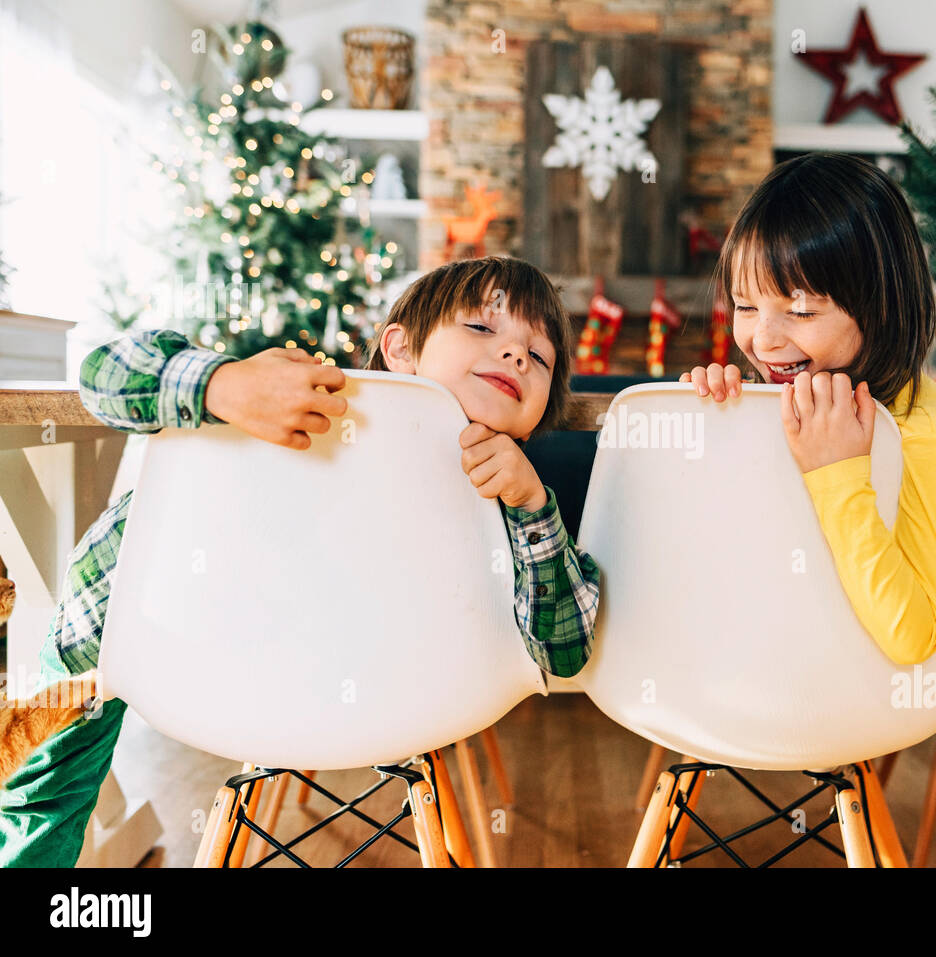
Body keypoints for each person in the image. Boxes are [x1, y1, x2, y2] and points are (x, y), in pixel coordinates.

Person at [0, 256, 599, 866]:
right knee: (40, 795)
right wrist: (222, 385)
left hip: (364, 683)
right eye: (482, 328)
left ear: (538, 413)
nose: (517, 355)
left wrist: (531, 504)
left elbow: (566, 651)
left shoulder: (515, 500)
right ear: (399, 347)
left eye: (540, 357)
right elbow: (103, 373)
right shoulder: (296, 396)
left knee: (44, 796)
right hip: (133, 637)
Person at [681, 152, 936, 666]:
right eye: (746, 306)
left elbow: (912, 638)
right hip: (736, 678)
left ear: (881, 305)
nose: (764, 341)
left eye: (800, 311)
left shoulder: (935, 431)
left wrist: (838, 473)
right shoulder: (757, 400)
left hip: (851, 699)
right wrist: (713, 428)